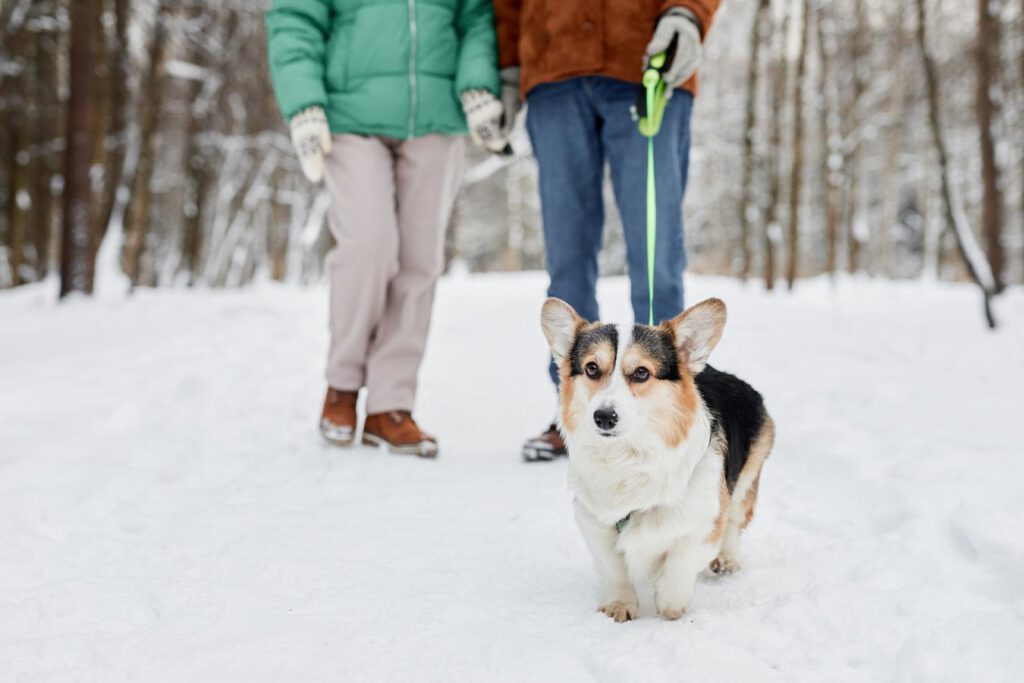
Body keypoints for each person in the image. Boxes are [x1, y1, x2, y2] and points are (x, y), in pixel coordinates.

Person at [266, 0, 507, 457]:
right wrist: (304, 103)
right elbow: (295, 15)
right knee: (368, 244)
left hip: (436, 117)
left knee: (420, 260)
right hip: (350, 116)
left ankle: (389, 404)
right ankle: (342, 384)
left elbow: (475, 16)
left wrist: (477, 84)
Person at [492, 1, 722, 461]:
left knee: (656, 253)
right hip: (553, 63)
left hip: (644, 57)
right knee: (567, 256)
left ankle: (671, 414)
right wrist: (505, 66)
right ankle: (576, 413)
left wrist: (688, 13)